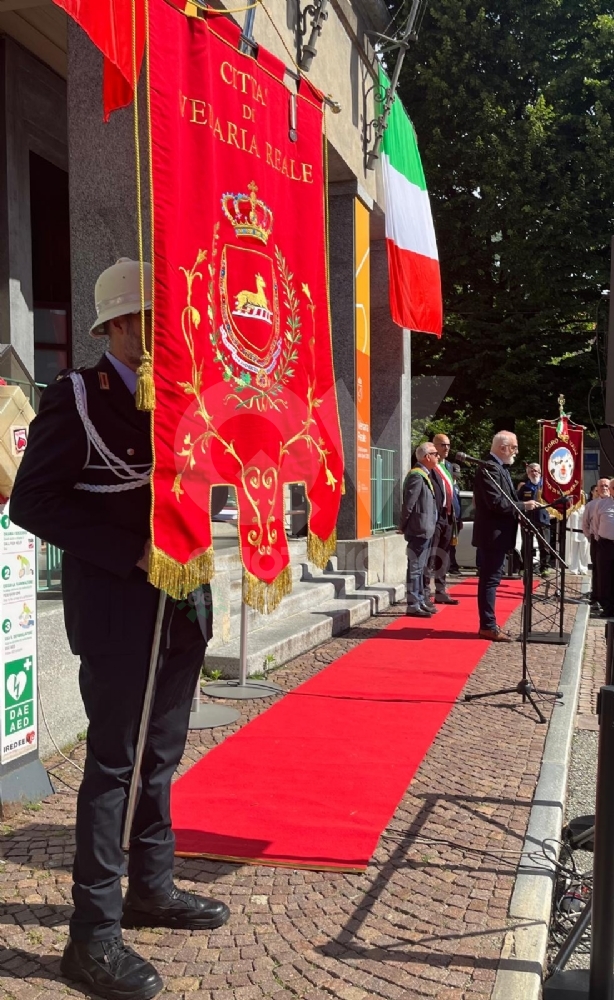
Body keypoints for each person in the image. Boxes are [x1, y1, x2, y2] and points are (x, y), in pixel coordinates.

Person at [10, 259, 229, 1000]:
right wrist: (129, 550)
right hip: (117, 606)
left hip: (183, 600)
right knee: (113, 766)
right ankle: (92, 935)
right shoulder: (77, 396)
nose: (171, 331)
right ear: (124, 325)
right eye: (156, 319)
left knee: (161, 757)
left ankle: (151, 888)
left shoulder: (184, 395)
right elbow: (31, 504)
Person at [472, 430, 539, 641]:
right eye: (514, 447)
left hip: (499, 535)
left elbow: (507, 500)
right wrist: (524, 506)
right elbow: (497, 503)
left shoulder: (500, 468)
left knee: (492, 580)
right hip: (493, 535)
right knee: (489, 581)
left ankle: (489, 624)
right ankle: (488, 626)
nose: (517, 452)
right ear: (503, 448)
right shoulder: (488, 469)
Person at [400, 442, 439, 617]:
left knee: (421, 566)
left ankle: (420, 600)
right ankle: (413, 603)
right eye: (435, 453)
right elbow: (409, 504)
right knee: (415, 567)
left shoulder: (425, 474)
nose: (438, 456)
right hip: (418, 528)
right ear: (426, 457)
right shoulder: (417, 475)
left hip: (426, 528)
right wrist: (403, 525)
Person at [423, 432, 459, 606]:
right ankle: (424, 592)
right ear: (434, 446)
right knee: (431, 555)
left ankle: (441, 590)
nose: (447, 448)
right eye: (443, 445)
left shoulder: (449, 466)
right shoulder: (429, 466)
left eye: (448, 445)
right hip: (435, 516)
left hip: (449, 516)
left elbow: (452, 491)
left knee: (444, 555)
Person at [516, 462, 553, 577]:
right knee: (526, 545)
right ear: (528, 474)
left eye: (536, 470)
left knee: (544, 545)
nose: (534, 473)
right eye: (531, 471)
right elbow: (518, 502)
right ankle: (525, 567)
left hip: (543, 519)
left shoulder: (547, 486)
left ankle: (544, 567)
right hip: (527, 520)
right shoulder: (524, 487)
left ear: (540, 472)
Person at [588, 478, 614, 618]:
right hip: (605, 544)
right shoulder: (601, 504)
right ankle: (607, 607)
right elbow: (595, 525)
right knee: (604, 577)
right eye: (613, 488)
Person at [583, 478, 610, 608]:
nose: (604, 488)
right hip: (598, 539)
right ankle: (596, 596)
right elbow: (587, 524)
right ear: (597, 489)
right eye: (601, 486)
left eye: (606, 485)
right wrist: (592, 537)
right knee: (597, 569)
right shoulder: (592, 505)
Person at [448, 462, 463, 574]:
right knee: (448, 544)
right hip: (449, 519)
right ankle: (450, 565)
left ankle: (452, 564)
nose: (455, 476)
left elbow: (459, 503)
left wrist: (460, 519)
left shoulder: (456, 485)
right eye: (454, 473)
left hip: (456, 519)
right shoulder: (448, 484)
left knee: (453, 543)